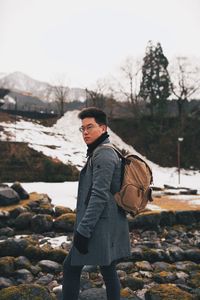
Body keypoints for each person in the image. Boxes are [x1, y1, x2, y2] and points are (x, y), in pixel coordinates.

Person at [62, 107, 131, 300]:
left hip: (98, 226)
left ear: (103, 128)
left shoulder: (104, 154)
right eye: (82, 128)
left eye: (89, 127)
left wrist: (83, 231)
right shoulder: (100, 151)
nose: (85, 132)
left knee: (71, 267)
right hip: (105, 223)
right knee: (108, 269)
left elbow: (98, 196)